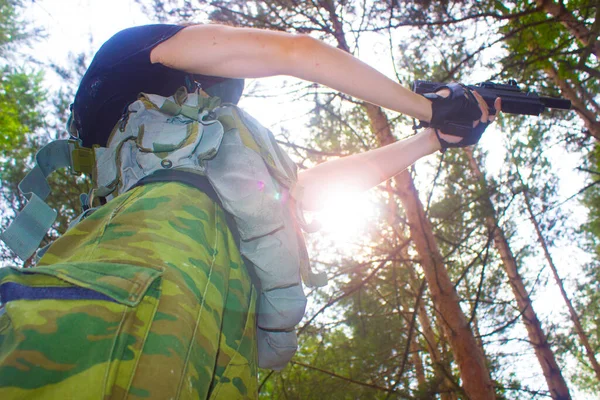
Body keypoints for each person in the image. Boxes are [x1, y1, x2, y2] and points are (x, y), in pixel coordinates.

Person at [0, 24, 500, 399]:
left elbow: (307, 192)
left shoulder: (226, 166)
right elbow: (295, 52)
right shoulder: (129, 57)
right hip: (157, 245)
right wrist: (432, 107)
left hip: (225, 319)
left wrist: (432, 138)